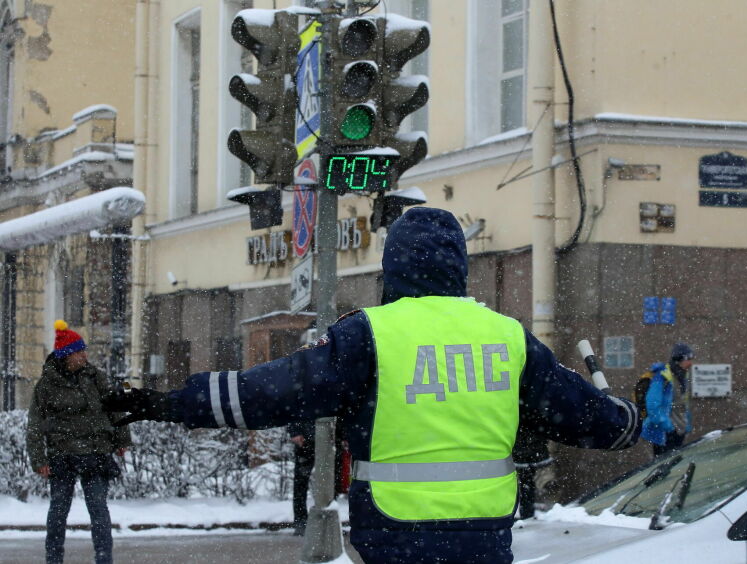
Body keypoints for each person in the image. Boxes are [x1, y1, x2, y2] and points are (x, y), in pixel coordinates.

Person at [104, 207, 641, 564]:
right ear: (459, 266)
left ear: (393, 267)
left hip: (395, 531)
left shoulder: (370, 335)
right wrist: (628, 422)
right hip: (484, 535)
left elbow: (268, 392)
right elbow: (588, 417)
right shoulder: (507, 338)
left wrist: (165, 403)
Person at [27, 320, 132, 564]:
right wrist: (38, 458)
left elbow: (115, 406)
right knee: (58, 513)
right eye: (79, 351)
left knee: (99, 512)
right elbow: (35, 424)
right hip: (61, 455)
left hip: (96, 453)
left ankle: (104, 559)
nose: (85, 355)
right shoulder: (46, 385)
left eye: (84, 351)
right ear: (66, 355)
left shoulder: (96, 377)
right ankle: (54, 559)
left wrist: (121, 439)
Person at [640, 342, 694, 458]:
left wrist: (685, 425)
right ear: (679, 359)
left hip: (679, 431)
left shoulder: (682, 376)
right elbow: (653, 405)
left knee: (674, 465)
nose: (691, 363)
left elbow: (682, 404)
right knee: (663, 467)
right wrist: (668, 426)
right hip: (665, 433)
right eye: (688, 359)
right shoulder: (662, 376)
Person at [512, 426, 553, 520]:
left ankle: (526, 512)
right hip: (532, 449)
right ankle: (527, 511)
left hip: (523, 450)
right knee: (528, 481)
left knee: (525, 481)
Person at [288, 420, 315, 535]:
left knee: (331, 484)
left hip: (326, 438)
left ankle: (329, 522)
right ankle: (301, 521)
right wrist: (295, 432)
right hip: (306, 440)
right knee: (301, 483)